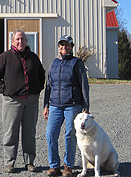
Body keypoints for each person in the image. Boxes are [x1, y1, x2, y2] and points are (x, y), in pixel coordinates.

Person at [0, 30, 45, 173]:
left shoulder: (33, 58)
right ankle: (10, 163)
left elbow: (41, 74)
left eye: (23, 39)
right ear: (12, 41)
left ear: (27, 41)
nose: (20, 42)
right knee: (11, 132)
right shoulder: (5, 57)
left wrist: (38, 88)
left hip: (31, 101)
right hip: (12, 101)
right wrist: (3, 89)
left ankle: (30, 162)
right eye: (17, 39)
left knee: (29, 133)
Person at [43, 35, 90, 177]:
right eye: (61, 45)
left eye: (67, 45)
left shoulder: (77, 63)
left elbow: (84, 85)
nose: (64, 48)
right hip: (55, 105)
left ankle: (68, 166)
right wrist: (46, 105)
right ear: (59, 47)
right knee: (50, 134)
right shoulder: (54, 63)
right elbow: (48, 86)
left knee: (70, 134)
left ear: (71, 46)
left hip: (73, 105)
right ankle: (54, 165)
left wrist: (86, 107)